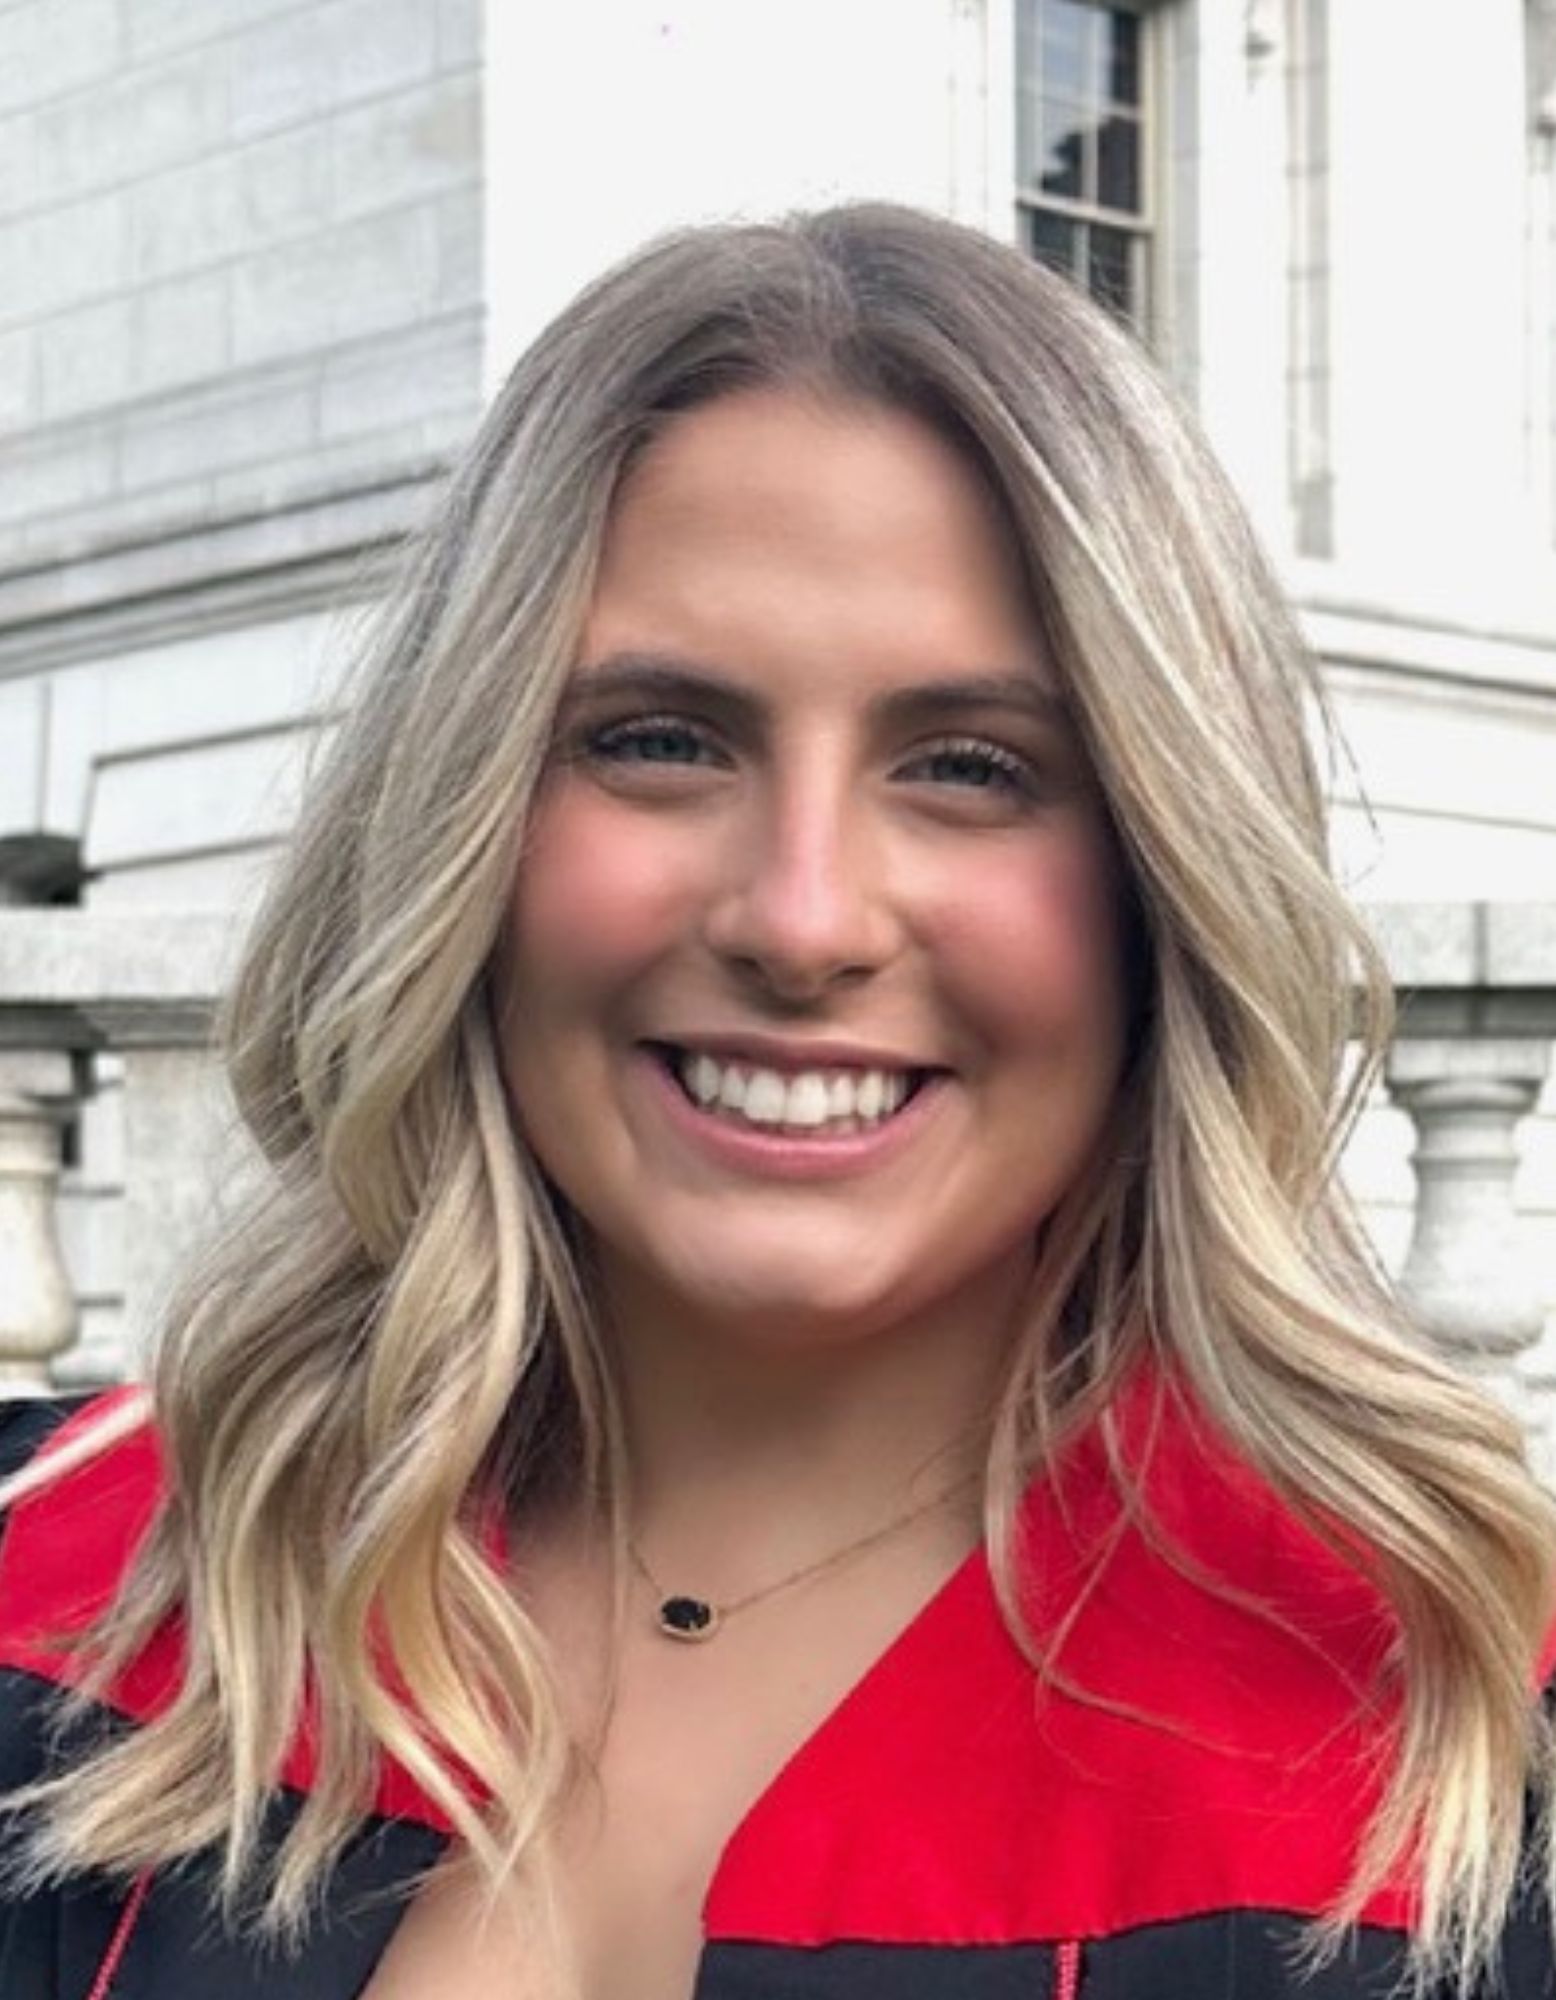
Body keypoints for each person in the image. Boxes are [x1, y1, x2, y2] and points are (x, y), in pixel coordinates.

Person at [0, 202, 1552, 2000]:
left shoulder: (1454, 1768)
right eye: (659, 738)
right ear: (465, 827)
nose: (801, 918)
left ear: (1163, 882)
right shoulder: (72, 1591)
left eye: (974, 767)